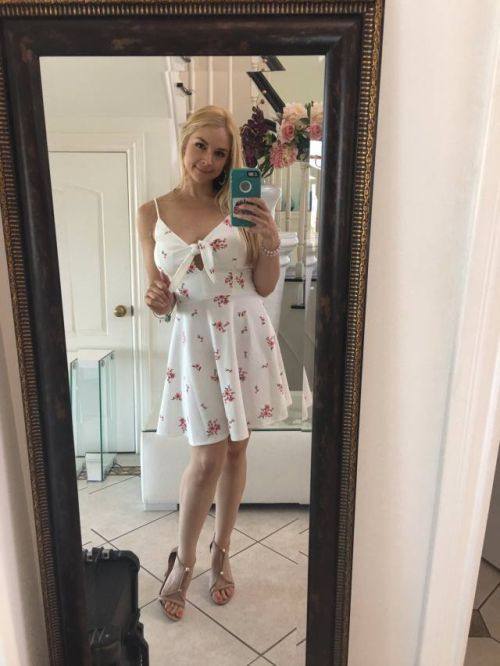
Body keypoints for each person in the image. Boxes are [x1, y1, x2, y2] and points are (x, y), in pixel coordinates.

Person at [137, 105, 292, 621]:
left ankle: (221, 553)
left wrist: (269, 241)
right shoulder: (151, 213)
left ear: (231, 159)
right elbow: (160, 295)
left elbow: (264, 285)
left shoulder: (243, 207)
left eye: (220, 153)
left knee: (236, 450)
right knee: (205, 458)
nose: (208, 160)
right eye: (201, 146)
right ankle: (183, 561)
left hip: (245, 334)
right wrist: (157, 300)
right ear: (185, 142)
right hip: (196, 340)